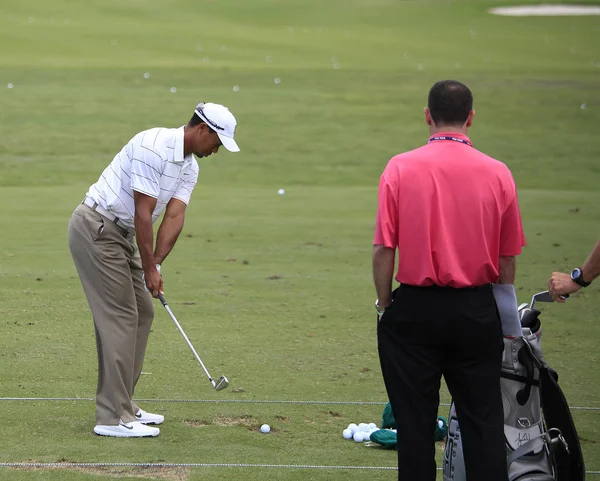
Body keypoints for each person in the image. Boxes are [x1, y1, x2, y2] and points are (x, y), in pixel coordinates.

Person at [373, 80, 525, 481]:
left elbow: (384, 249)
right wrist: (504, 317)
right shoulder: (498, 173)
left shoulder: (400, 167)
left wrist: (384, 303)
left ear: (428, 116)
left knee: (415, 426)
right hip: (477, 311)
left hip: (415, 312)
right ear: (471, 117)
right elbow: (506, 258)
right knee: (483, 425)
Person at [68, 102, 240, 437]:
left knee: (144, 311)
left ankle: (124, 404)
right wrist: (148, 267)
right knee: (121, 317)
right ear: (202, 129)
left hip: (122, 236)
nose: (215, 151)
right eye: (216, 143)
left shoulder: (190, 167)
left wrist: (157, 262)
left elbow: (174, 215)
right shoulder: (154, 147)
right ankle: (111, 417)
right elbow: (143, 213)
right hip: (97, 228)